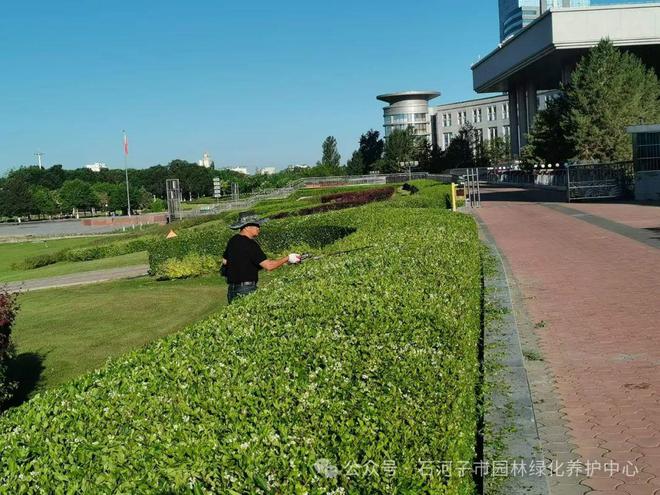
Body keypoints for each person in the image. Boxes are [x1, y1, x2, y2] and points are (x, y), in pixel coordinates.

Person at [222, 213, 301, 304]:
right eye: (256, 225)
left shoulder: (233, 240)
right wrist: (288, 258)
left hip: (232, 290)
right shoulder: (250, 244)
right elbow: (269, 266)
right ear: (246, 227)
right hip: (246, 290)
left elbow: (225, 261)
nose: (259, 228)